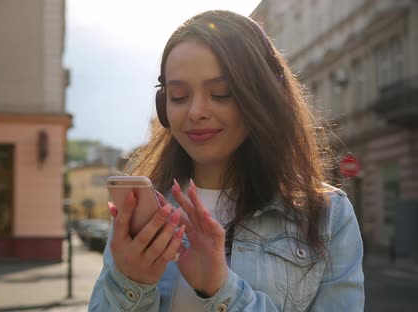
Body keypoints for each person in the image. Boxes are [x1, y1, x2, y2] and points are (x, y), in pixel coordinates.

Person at [89, 10, 364, 312]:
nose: (196, 111)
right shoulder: (139, 214)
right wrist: (131, 284)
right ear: (163, 107)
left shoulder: (328, 215)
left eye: (221, 93)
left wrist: (221, 290)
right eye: (179, 96)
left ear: (261, 96)